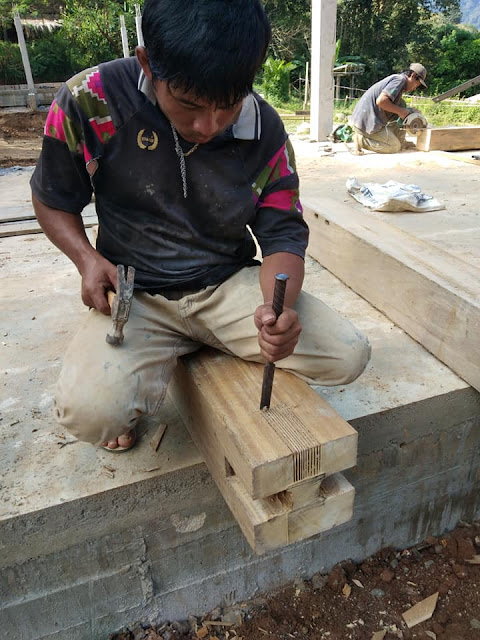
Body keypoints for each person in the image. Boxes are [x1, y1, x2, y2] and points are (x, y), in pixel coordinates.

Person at [31, 0, 371, 452]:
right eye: (188, 104)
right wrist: (87, 260)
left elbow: (283, 232)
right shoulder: (92, 100)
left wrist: (278, 310)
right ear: (148, 63)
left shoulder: (265, 128)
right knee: (92, 416)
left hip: (226, 287)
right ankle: (163, 350)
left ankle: (193, 343)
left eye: (228, 106)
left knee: (348, 354)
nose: (208, 126)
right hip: (136, 292)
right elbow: (51, 196)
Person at [350, 63, 427, 154]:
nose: (414, 88)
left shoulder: (399, 83)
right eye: (416, 85)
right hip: (365, 123)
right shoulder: (399, 80)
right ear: (413, 76)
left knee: (402, 104)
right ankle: (361, 140)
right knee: (394, 147)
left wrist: (411, 112)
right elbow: (381, 101)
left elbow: (396, 107)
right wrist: (401, 111)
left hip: (369, 120)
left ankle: (400, 141)